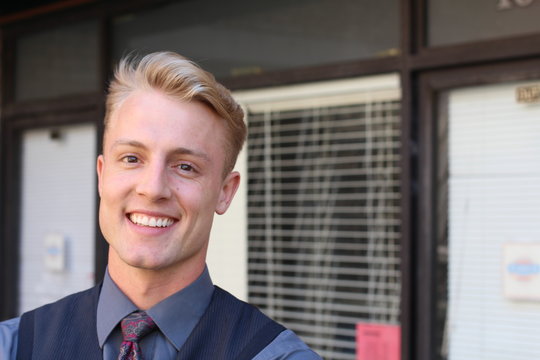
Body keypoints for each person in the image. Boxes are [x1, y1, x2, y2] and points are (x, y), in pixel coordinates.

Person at [0, 51, 321, 359]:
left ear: (225, 192)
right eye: (131, 158)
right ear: (102, 175)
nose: (153, 189)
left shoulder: (277, 356)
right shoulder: (12, 347)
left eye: (185, 166)